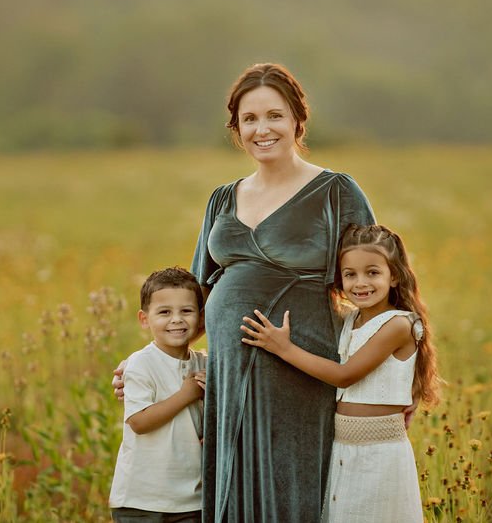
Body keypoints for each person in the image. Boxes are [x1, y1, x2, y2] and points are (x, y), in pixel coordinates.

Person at [190, 63, 376, 522]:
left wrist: (392, 382)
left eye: (274, 115)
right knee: (232, 489)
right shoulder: (222, 198)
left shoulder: (335, 191)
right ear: (237, 129)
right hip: (229, 373)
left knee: (287, 486)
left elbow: (379, 287)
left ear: (297, 119)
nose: (262, 129)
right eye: (249, 119)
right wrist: (145, 368)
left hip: (299, 367)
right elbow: (192, 297)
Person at [240, 223, 440, 523]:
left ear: (394, 276)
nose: (361, 283)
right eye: (350, 274)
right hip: (343, 446)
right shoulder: (352, 319)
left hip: (379, 453)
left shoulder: (398, 325)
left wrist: (283, 348)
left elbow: (345, 375)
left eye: (373, 272)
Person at [108, 266, 208, 523]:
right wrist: (187, 395)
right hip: (141, 500)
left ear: (201, 316)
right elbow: (139, 422)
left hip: (190, 500)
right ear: (144, 319)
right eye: (164, 312)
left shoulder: (205, 364)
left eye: (186, 311)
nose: (177, 319)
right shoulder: (140, 364)